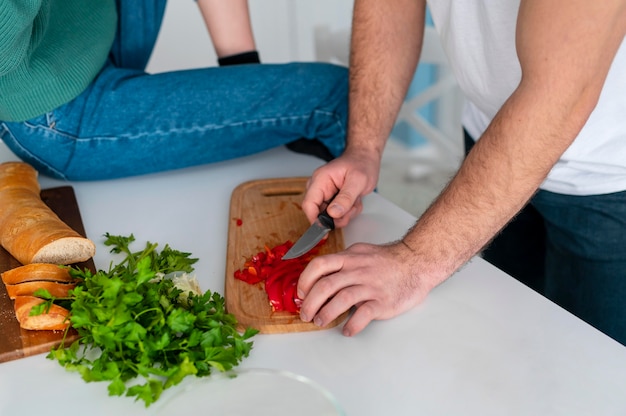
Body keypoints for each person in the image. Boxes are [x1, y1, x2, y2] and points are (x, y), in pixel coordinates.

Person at [297, 0, 626, 345]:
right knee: (510, 343)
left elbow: (557, 98)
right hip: (493, 144)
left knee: (591, 373)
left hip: (608, 179)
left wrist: (413, 262)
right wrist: (363, 148)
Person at [0, 0, 347, 180]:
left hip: (86, 28)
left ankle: (245, 74)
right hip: (56, 111)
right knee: (335, 96)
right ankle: (364, 270)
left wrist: (248, 86)